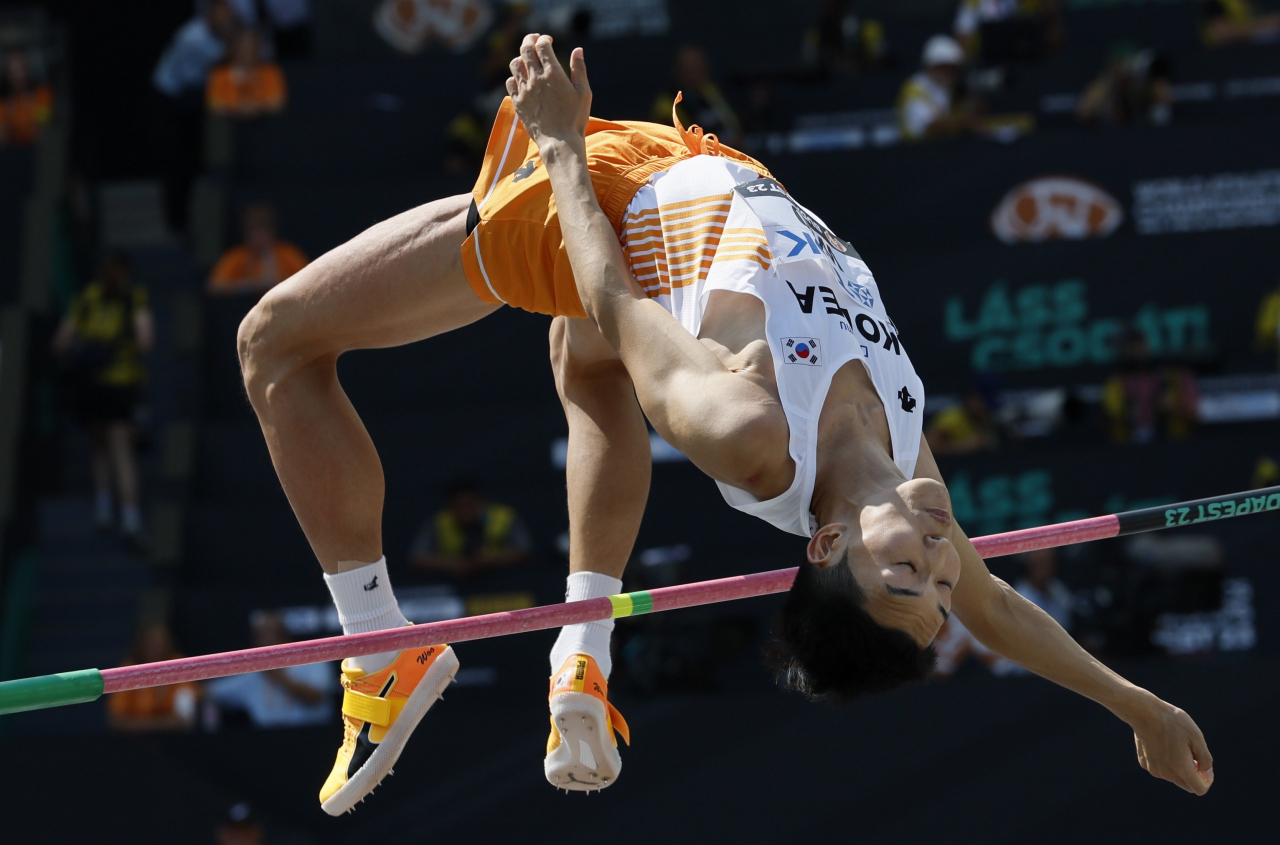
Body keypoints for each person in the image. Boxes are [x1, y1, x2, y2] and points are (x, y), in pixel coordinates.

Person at [235, 35, 1213, 813]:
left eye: (906, 568)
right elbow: (995, 609)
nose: (938, 550)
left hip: (604, 195)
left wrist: (560, 144)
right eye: (940, 570)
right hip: (693, 166)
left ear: (826, 540)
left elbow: (612, 298)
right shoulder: (905, 462)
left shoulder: (747, 429)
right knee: (586, 366)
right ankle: (581, 653)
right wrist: (1142, 706)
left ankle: (376, 642)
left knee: (274, 341)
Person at [53, 253, 154, 540]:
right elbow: (146, 340)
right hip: (120, 385)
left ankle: (104, 507)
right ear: (125, 272)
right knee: (122, 450)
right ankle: (131, 519)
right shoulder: (134, 298)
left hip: (90, 387)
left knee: (99, 448)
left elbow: (60, 343)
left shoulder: (86, 298)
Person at [152, 0, 238, 233]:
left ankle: (190, 218)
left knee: (194, 159)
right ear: (210, 14)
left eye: (229, 15)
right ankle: (174, 221)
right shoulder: (193, 37)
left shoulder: (218, 34)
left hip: (193, 99)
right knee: (176, 160)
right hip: (171, 98)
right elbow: (224, 60)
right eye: (222, 15)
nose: (227, 20)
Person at [205, 611, 334, 727]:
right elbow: (208, 692)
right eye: (260, 637)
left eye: (271, 636)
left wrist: (278, 676)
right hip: (268, 745)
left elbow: (315, 697)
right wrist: (187, 684)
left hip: (313, 738)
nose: (264, 642)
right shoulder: (252, 676)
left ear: (285, 637)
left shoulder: (313, 662)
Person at [408, 478, 532, 578]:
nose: (466, 511)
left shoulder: (503, 516)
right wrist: (454, 564)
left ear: (482, 502)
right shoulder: (439, 521)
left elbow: (524, 551)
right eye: (459, 506)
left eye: (471, 505)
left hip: (503, 580)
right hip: (454, 581)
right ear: (450, 507)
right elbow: (418, 557)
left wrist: (487, 560)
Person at [106, 622, 199, 731]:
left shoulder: (180, 666)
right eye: (151, 644)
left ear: (168, 644)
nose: (156, 649)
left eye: (160, 644)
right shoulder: (128, 671)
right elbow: (116, 719)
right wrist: (162, 724)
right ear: (141, 645)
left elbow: (187, 716)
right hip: (137, 739)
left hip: (175, 738)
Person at [208, 202, 309, 295]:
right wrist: (247, 285)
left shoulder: (287, 253)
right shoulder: (237, 256)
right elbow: (215, 286)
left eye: (263, 230)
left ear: (272, 231)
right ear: (246, 233)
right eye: (254, 231)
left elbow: (308, 282)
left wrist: (277, 283)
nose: (259, 237)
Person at [650, 46, 742, 147]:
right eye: (689, 67)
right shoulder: (667, 103)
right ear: (678, 69)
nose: (695, 72)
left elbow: (732, 123)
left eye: (698, 66)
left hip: (733, 151)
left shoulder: (712, 90)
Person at [897, 35, 983, 141]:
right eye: (946, 67)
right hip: (915, 151)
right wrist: (966, 121)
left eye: (954, 69)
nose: (951, 73)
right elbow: (932, 127)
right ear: (932, 66)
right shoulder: (914, 89)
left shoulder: (946, 88)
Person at [1075, 42, 1173, 127]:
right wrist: (1112, 90)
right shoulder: (1101, 86)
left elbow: (1165, 101)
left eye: (1129, 62)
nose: (1124, 68)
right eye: (1120, 63)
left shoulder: (1146, 84)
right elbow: (1084, 113)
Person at [206, 28, 287, 118]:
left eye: (251, 46)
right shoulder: (219, 75)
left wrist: (256, 107)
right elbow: (214, 106)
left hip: (264, 123)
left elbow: (277, 103)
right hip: (230, 124)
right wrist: (238, 108)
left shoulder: (271, 73)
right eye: (242, 47)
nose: (247, 51)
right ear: (232, 49)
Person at [0, 51, 54, 146]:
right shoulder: (4, 101)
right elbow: (3, 137)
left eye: (21, 69)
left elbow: (43, 129)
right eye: (12, 71)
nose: (17, 76)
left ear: (29, 70)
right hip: (11, 152)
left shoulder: (42, 95)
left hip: (38, 151)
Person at [925, 386, 998, 455]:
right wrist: (965, 446)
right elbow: (929, 447)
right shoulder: (951, 419)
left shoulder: (991, 417)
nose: (985, 408)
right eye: (982, 402)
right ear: (971, 400)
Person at [1201, 0, 1280, 46]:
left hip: (1251, 56)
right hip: (1218, 60)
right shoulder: (1215, 3)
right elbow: (1223, 34)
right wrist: (1264, 24)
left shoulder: (1249, 3)